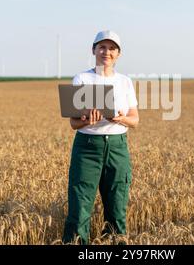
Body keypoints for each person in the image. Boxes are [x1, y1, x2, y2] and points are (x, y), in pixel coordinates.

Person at [62, 30, 139, 245]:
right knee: (80, 205)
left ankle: (117, 245)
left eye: (112, 48)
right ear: (93, 50)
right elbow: (74, 123)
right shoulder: (82, 78)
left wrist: (121, 118)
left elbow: (135, 120)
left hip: (117, 147)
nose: (107, 52)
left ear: (118, 54)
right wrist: (89, 119)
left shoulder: (125, 82)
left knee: (117, 204)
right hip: (87, 147)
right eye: (102, 47)